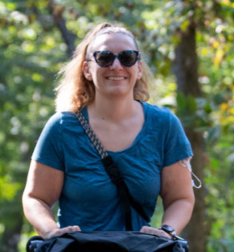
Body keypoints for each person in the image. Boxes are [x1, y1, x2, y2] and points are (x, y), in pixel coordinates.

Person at [22, 22, 196, 240]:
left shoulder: (165, 125)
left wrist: (166, 232)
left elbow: (181, 198)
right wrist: (51, 232)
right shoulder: (62, 128)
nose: (116, 65)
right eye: (104, 57)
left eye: (127, 57)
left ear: (138, 68)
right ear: (87, 69)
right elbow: (35, 197)